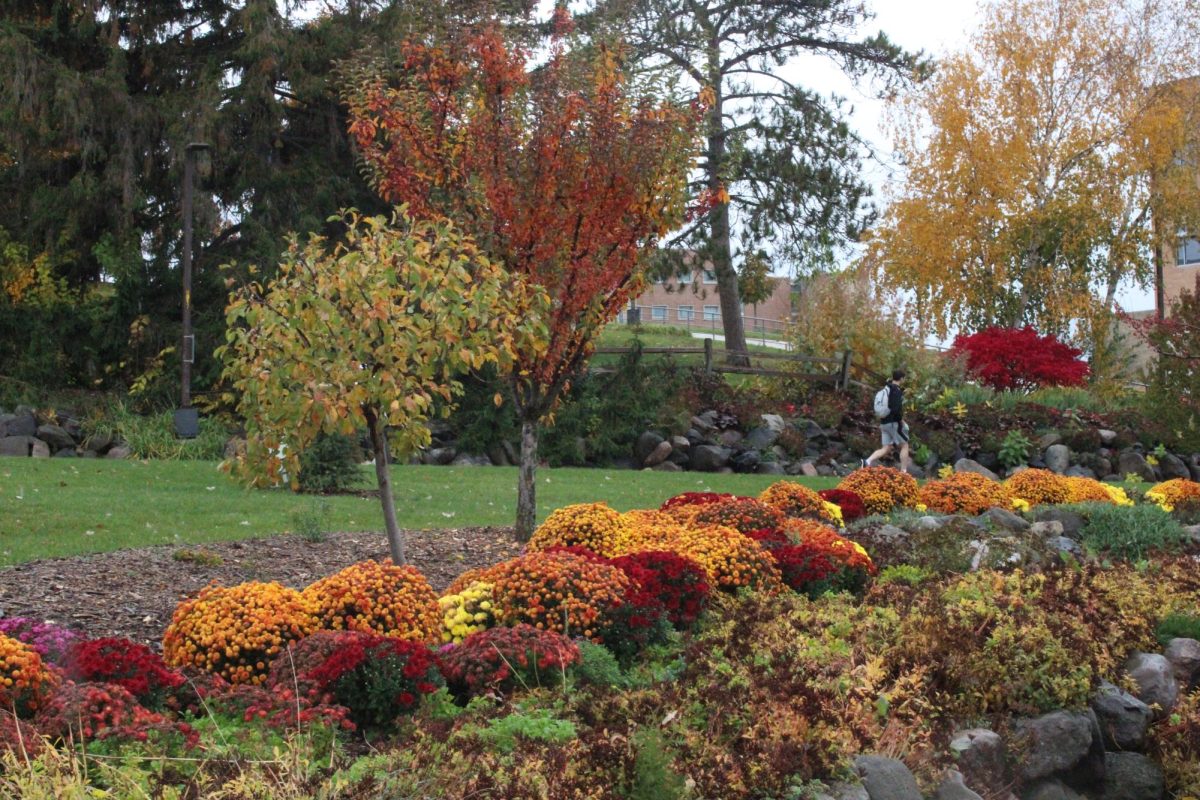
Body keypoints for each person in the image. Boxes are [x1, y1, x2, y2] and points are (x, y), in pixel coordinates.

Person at [864, 369, 911, 473]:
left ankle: (867, 461)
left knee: (886, 448)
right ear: (902, 378)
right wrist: (901, 421)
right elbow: (896, 408)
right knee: (905, 445)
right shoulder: (896, 391)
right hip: (894, 423)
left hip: (884, 423)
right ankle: (904, 472)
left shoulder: (887, 388)